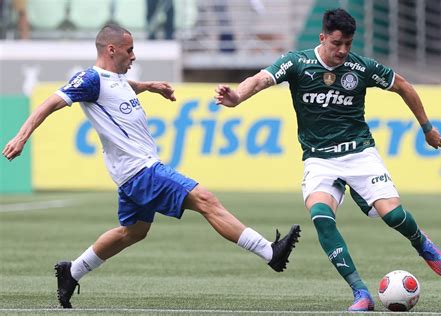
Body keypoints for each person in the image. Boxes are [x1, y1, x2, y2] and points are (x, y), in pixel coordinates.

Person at [1, 24, 301, 309]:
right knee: (206, 200)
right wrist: (20, 137)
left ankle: (72, 272)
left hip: (133, 173)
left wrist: (150, 86)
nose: (133, 56)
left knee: (132, 232)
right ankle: (269, 252)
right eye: (129, 50)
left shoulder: (112, 79)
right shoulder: (90, 79)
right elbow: (49, 104)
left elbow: (122, 86)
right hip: (142, 171)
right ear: (111, 49)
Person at [215, 8, 441, 312]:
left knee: (391, 215)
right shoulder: (297, 63)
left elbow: (403, 85)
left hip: (359, 153)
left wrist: (427, 128)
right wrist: (236, 98)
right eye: (336, 43)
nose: (342, 51)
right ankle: (360, 293)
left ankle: (421, 242)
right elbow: (260, 79)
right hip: (319, 159)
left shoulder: (360, 68)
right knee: (322, 217)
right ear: (323, 36)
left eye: (348, 44)